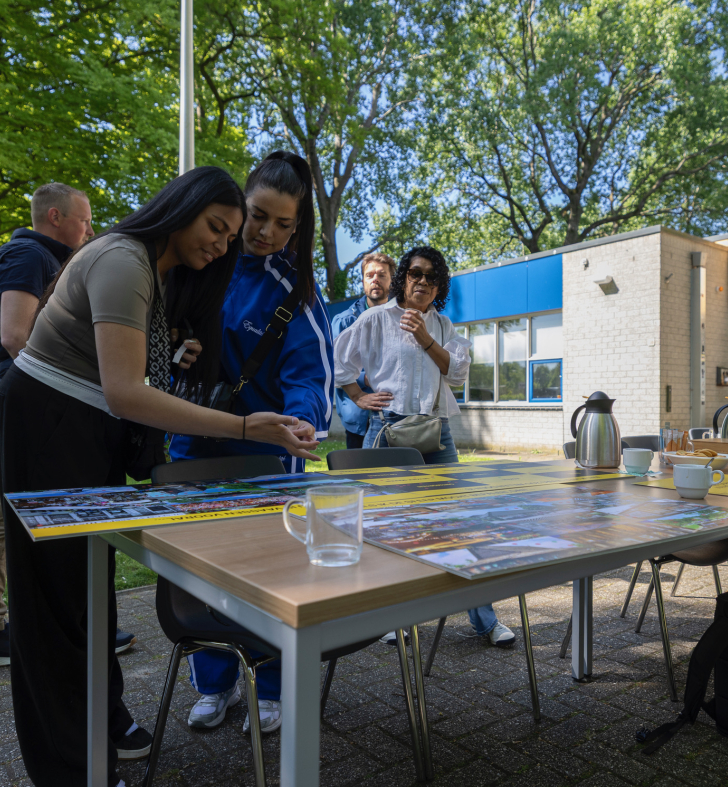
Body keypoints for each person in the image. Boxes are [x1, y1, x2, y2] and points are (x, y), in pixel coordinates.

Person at [0, 166, 319, 786]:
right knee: (53, 608)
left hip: (87, 430)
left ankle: (104, 723)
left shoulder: (163, 274)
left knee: (89, 594)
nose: (223, 244)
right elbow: (125, 392)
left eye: (231, 236)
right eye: (217, 227)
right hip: (49, 423)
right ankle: (70, 769)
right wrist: (246, 426)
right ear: (182, 207)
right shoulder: (123, 259)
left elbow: (131, 376)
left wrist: (172, 355)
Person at [170, 152, 334, 736]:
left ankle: (271, 686)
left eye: (283, 224)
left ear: (298, 227)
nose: (266, 232)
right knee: (200, 573)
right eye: (258, 215)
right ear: (239, 203)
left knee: (273, 576)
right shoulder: (196, 263)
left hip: (265, 459)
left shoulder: (296, 292)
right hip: (192, 449)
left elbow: (310, 377)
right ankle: (214, 684)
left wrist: (302, 422)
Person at [333, 246, 517, 649]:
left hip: (437, 432)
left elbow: (458, 374)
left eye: (432, 277)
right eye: (416, 273)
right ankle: (391, 616)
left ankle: (485, 620)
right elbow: (340, 363)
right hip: (388, 430)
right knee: (389, 525)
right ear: (403, 277)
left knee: (458, 521)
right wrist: (359, 396)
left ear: (439, 287)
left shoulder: (443, 325)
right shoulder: (376, 319)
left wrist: (424, 336)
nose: (422, 281)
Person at [0, 181, 119, 673]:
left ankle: (42, 623)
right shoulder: (29, 255)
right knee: (9, 509)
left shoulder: (44, 258)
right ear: (55, 217)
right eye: (84, 220)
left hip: (42, 401)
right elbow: (16, 336)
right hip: (36, 402)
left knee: (12, 504)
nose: (90, 230)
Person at [330, 252, 395, 448]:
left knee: (399, 467)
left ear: (392, 280)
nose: (375, 279)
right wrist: (365, 379)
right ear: (363, 281)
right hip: (359, 416)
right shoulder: (344, 321)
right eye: (370, 275)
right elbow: (330, 367)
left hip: (396, 415)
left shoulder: (402, 317)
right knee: (360, 466)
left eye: (382, 275)